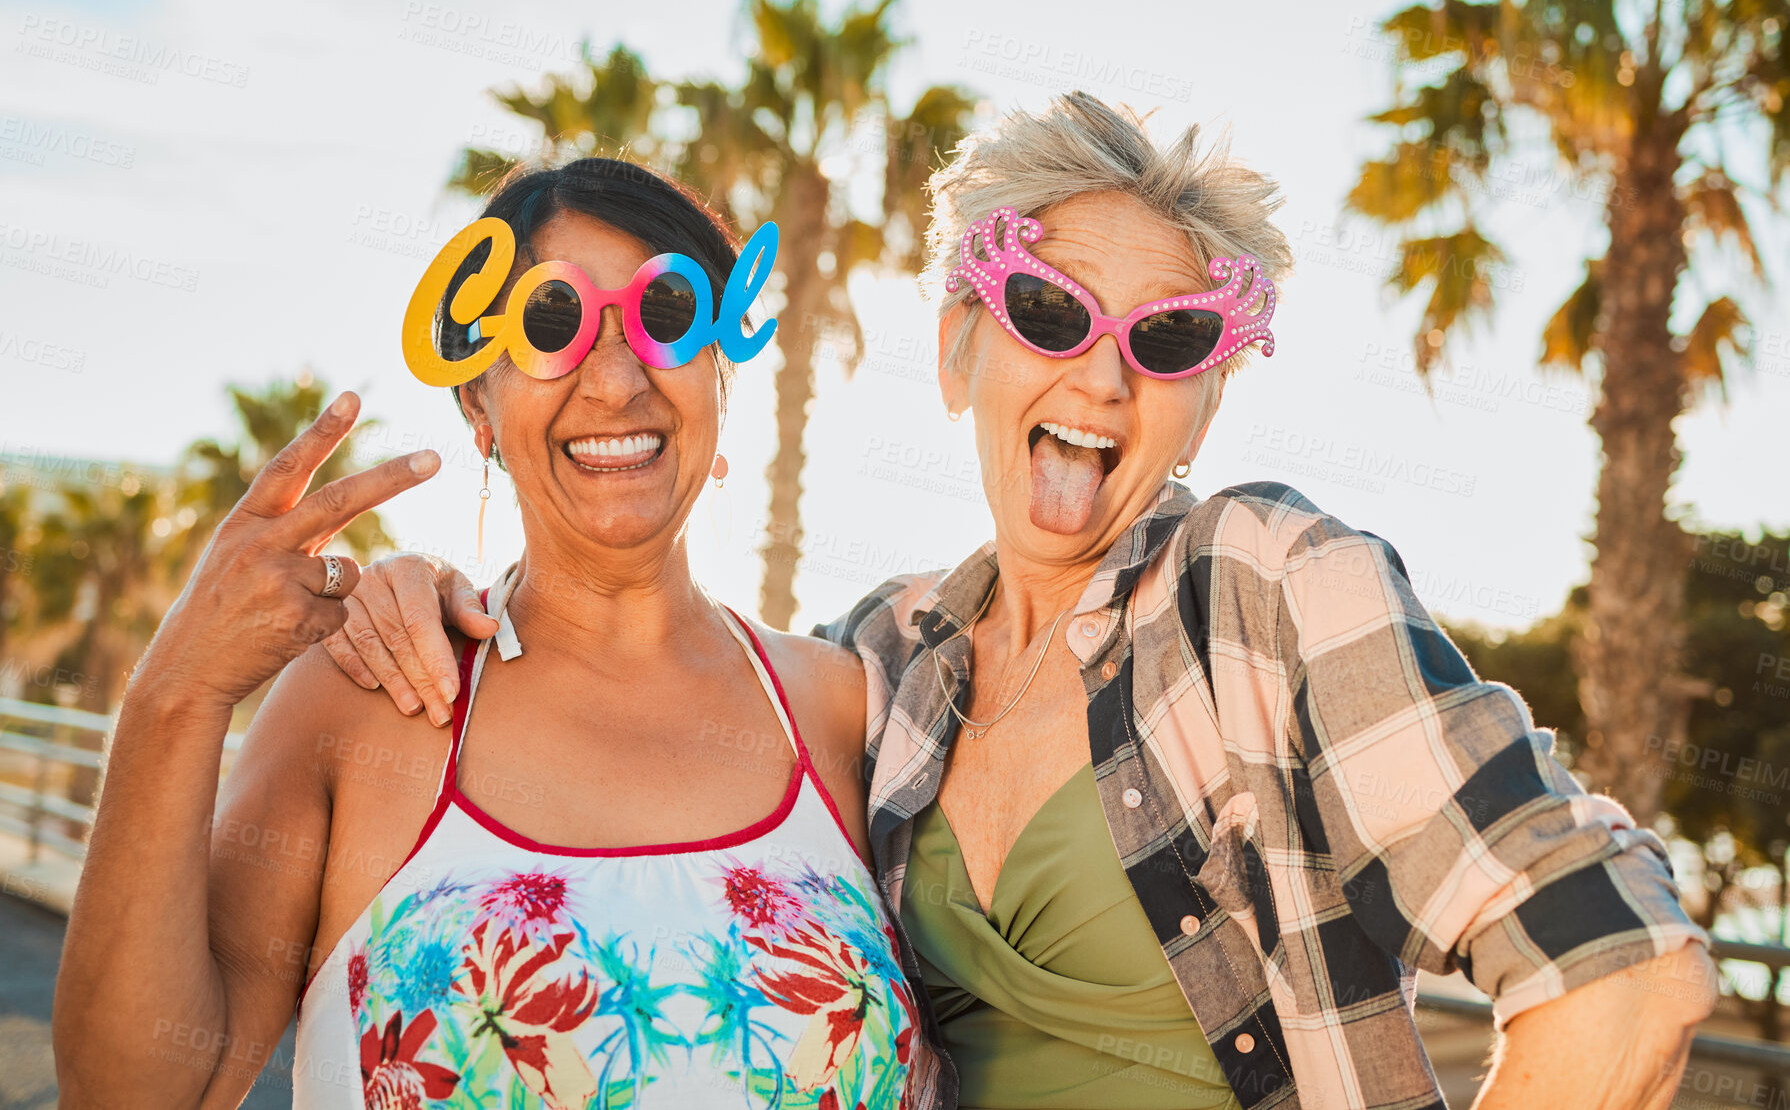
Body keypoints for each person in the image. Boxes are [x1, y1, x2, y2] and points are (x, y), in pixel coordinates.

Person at [324, 94, 1715, 1110]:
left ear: (1202, 402)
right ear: (957, 350)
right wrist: (419, 586)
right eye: (1052, 316)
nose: (1101, 383)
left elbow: (1625, 974)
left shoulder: (1264, 585)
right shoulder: (884, 658)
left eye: (1164, 342)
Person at [53, 157, 921, 1110]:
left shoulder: (843, 706)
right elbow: (140, 1092)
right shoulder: (362, 704)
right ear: (478, 406)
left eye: (664, 316)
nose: (618, 380)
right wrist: (176, 690)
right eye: (553, 325)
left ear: (720, 368)